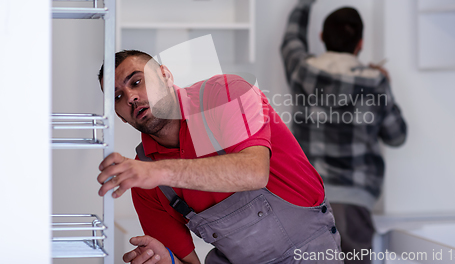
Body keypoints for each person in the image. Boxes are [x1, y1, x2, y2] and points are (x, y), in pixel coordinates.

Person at [96, 50, 343, 264]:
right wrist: (168, 259)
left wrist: (158, 172)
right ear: (120, 117)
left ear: (165, 75)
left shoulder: (224, 95)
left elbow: (253, 172)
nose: (131, 97)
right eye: (118, 97)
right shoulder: (146, 181)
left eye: (137, 82)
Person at [280, 0, 407, 263]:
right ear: (360, 45)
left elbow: (291, 41)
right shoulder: (374, 82)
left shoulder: (303, 70)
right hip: (354, 203)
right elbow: (397, 136)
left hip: (307, 198)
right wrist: (384, 82)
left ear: (322, 36)